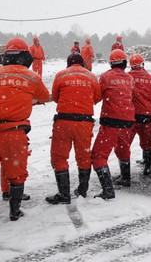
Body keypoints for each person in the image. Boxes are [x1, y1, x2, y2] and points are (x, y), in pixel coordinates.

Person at [0, 37, 50, 227]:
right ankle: (14, 212)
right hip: (15, 132)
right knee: (16, 173)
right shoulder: (32, 76)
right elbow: (44, 96)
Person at [46, 53, 101, 204]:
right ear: (83, 63)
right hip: (84, 122)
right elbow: (97, 97)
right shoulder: (91, 76)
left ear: (68, 63)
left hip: (64, 121)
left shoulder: (61, 75)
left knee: (59, 157)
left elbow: (56, 97)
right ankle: (82, 189)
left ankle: (64, 194)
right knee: (83, 156)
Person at [90, 49, 135, 198]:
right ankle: (126, 177)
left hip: (111, 120)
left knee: (98, 155)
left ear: (110, 63)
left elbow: (97, 97)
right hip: (128, 120)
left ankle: (108, 190)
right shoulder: (129, 79)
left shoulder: (105, 77)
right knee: (123, 149)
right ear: (124, 63)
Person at [121, 53, 151, 177]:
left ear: (130, 65)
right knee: (147, 143)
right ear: (143, 64)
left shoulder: (127, 78)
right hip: (147, 116)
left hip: (131, 116)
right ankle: (147, 168)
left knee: (125, 145)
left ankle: (125, 173)